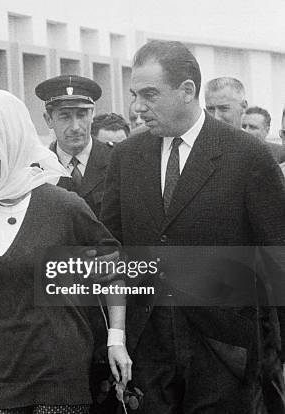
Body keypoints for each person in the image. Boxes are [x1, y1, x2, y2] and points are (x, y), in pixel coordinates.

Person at [101, 40, 285, 413]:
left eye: (150, 94)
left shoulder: (247, 156)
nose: (138, 107)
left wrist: (278, 357)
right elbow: (112, 250)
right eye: (135, 94)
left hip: (226, 352)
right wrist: (116, 335)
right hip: (146, 350)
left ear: (187, 91)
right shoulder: (125, 157)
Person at [0, 89, 131, 413]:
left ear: (6, 147)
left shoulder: (64, 206)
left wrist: (116, 338)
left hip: (60, 378)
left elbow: (112, 273)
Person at [36, 74, 113, 216]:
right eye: (65, 116)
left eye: (82, 115)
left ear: (92, 116)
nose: (75, 127)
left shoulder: (116, 161)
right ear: (48, 120)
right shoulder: (37, 169)